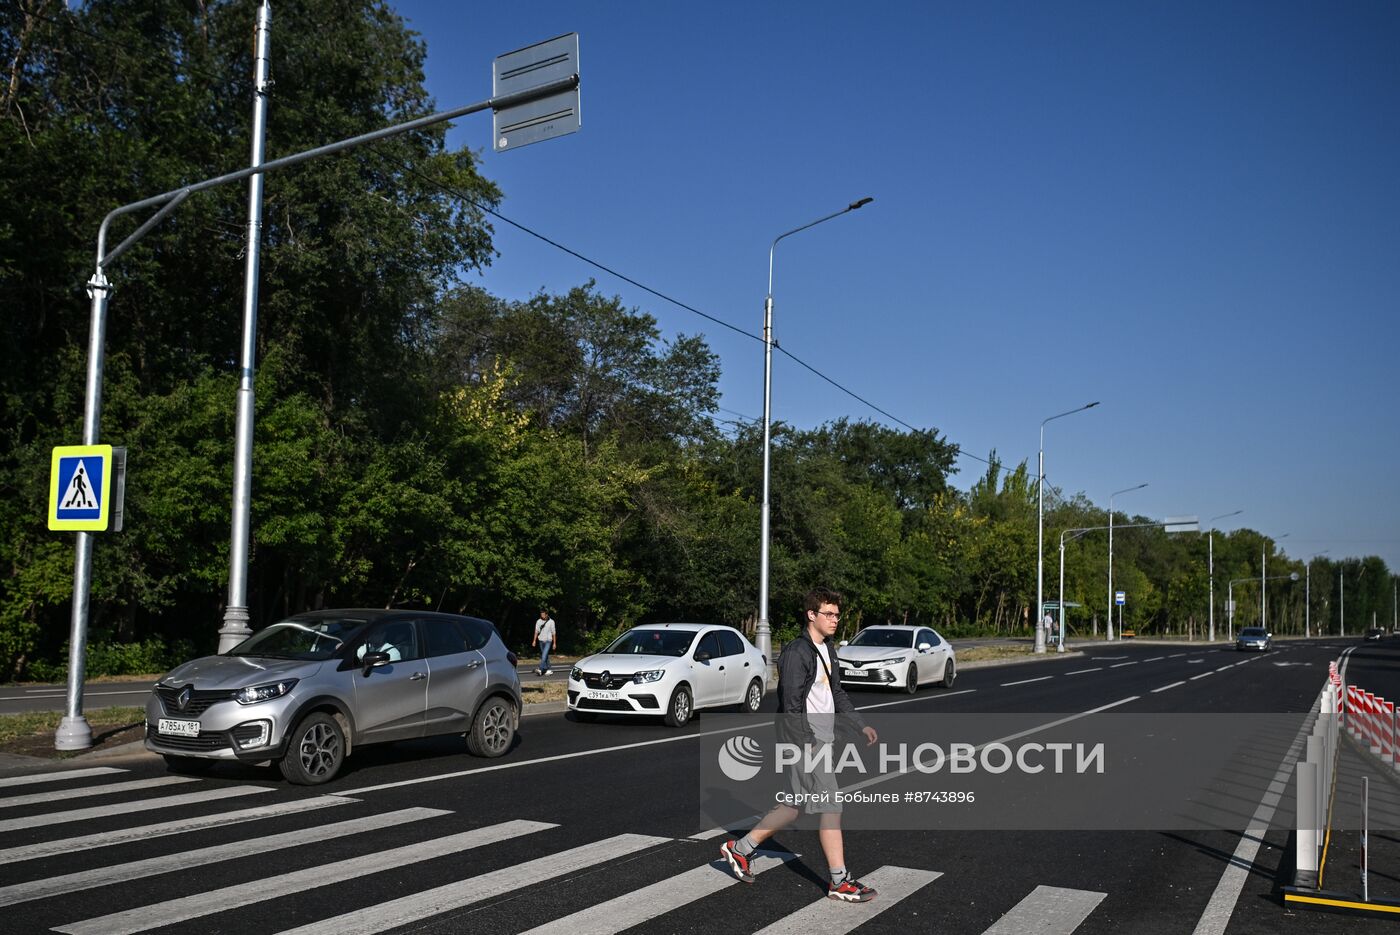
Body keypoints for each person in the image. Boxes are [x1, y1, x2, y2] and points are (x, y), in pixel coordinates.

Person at [720, 587, 879, 902]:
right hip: (805, 740)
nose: (835, 620)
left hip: (820, 737)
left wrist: (860, 724)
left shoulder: (827, 648)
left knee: (793, 806)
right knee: (831, 806)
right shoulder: (797, 652)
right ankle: (839, 882)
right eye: (828, 614)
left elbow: (836, 693)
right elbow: (790, 704)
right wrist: (806, 744)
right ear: (811, 615)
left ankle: (739, 850)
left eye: (837, 614)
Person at [532, 610, 557, 675]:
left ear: (546, 615)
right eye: (541, 615)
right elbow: (536, 631)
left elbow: (553, 633)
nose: (542, 616)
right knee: (545, 655)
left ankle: (540, 669)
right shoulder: (538, 621)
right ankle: (548, 669)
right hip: (541, 641)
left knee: (543, 655)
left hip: (548, 641)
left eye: (543, 615)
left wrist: (554, 643)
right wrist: (534, 640)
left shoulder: (551, 622)